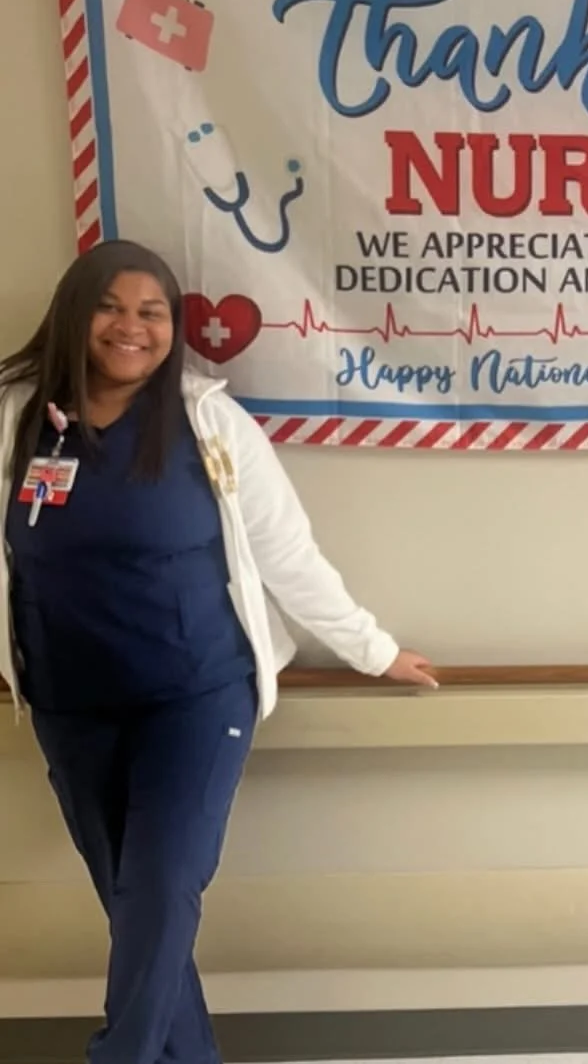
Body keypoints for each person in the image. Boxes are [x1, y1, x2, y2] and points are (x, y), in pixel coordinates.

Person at [0, 240, 439, 1064]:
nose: (131, 327)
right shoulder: (17, 416)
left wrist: (372, 650)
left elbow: (287, 554)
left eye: (152, 312)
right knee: (136, 910)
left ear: (173, 330)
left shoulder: (207, 420)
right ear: (74, 313)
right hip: (70, 702)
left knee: (162, 890)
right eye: (112, 306)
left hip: (196, 695)